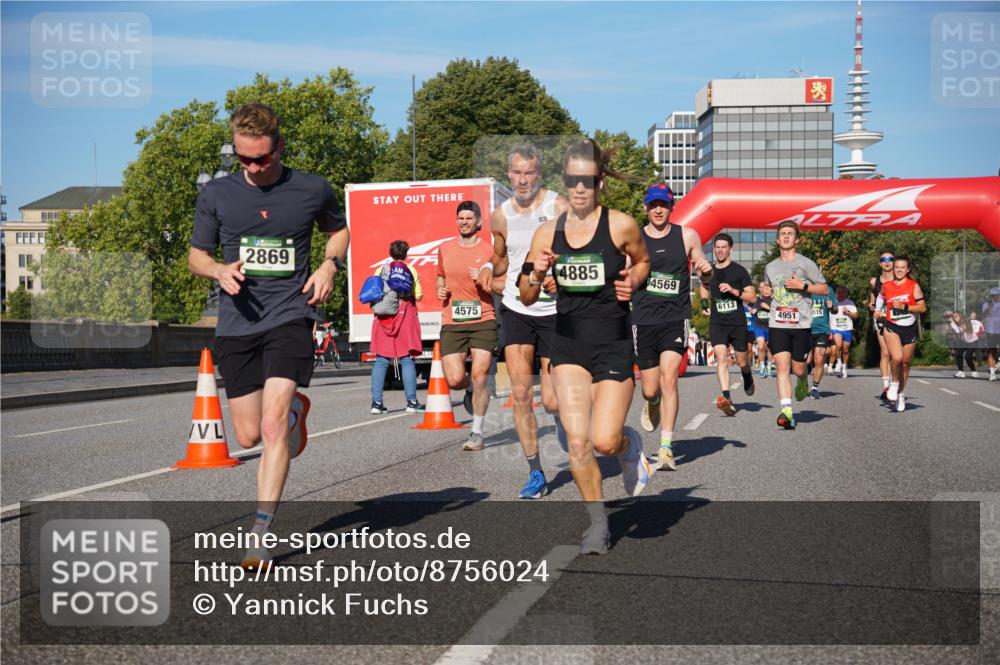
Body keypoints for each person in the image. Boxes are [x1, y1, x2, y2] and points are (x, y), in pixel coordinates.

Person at [188, 102, 349, 569]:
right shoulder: (218, 194)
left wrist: (328, 264)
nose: (254, 168)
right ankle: (297, 411)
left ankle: (259, 534)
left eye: (262, 158)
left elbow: (339, 232)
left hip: (290, 316)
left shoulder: (311, 189)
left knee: (273, 426)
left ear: (279, 145)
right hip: (238, 324)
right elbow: (196, 256)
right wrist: (218, 269)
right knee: (249, 432)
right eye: (244, 159)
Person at [521, 138, 652, 555]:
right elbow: (525, 294)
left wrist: (632, 281)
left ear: (599, 183)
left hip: (612, 345)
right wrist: (537, 274)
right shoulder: (547, 232)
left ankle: (631, 446)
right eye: (573, 180)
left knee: (605, 441)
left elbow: (644, 262)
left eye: (589, 181)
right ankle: (599, 524)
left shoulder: (621, 226)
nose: (580, 189)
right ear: (564, 182)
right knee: (578, 442)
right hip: (568, 347)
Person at [477, 143, 568, 499]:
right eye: (516, 172)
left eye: (529, 172)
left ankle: (566, 427)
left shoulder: (557, 206)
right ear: (509, 173)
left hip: (554, 311)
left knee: (553, 400)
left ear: (539, 174)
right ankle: (535, 472)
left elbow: (578, 247)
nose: (523, 179)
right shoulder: (500, 214)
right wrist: (487, 267)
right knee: (519, 393)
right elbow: (501, 257)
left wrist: (560, 275)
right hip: (516, 307)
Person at [631, 183, 712, 471]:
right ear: (645, 207)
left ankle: (665, 447)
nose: (658, 210)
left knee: (670, 378)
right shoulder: (634, 237)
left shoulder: (687, 235)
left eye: (663, 204)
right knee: (650, 389)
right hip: (643, 318)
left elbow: (701, 260)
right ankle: (652, 402)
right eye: (653, 205)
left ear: (671, 206)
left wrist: (705, 269)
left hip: (675, 317)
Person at [437, 201, 500, 451]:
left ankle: (476, 432)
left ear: (479, 222)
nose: (464, 222)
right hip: (453, 320)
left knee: (480, 374)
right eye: (460, 218)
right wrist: (439, 288)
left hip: (483, 318)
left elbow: (500, 284)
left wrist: (484, 280)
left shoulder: (488, 251)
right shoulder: (445, 248)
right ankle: (470, 388)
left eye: (468, 218)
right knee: (454, 380)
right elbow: (440, 275)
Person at [759, 220, 828, 430]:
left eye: (790, 234)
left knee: (798, 368)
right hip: (777, 323)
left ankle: (802, 381)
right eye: (783, 234)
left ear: (797, 239)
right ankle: (787, 411)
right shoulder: (770, 267)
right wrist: (765, 292)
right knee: (782, 366)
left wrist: (803, 285)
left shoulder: (806, 264)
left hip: (801, 325)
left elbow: (824, 289)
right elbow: (767, 293)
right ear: (778, 239)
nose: (786, 237)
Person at [699, 233, 756, 415]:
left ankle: (747, 374)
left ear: (730, 249)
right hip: (718, 322)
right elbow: (703, 286)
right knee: (721, 358)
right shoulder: (709, 271)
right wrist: (705, 304)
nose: (720, 250)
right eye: (717, 247)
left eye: (724, 247)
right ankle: (726, 398)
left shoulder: (739, 271)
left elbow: (752, 297)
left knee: (741, 361)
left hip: (737, 322)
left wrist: (732, 290)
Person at [369, 240, 424, 415]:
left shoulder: (381, 269)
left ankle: (377, 404)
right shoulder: (411, 270)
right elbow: (419, 295)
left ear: (390, 252)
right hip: (404, 315)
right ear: (406, 253)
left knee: (381, 359)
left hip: (384, 316)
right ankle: (412, 402)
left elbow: (374, 290)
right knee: (406, 359)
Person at [874, 255, 926, 412]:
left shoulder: (913, 286)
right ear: (893, 268)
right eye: (897, 267)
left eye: (903, 267)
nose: (899, 270)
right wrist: (877, 310)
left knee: (905, 363)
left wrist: (905, 307)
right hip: (891, 326)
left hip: (909, 328)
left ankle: (900, 394)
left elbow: (922, 308)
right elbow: (880, 298)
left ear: (908, 269)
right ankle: (894, 383)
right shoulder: (887, 286)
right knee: (896, 357)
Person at [869, 248, 896, 400]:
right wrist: (871, 304)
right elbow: (872, 296)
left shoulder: (899, 279)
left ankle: (894, 383)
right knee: (885, 352)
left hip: (897, 317)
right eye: (884, 260)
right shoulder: (874, 281)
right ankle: (886, 387)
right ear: (880, 263)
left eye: (890, 259)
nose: (887, 262)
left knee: (895, 353)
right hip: (880, 317)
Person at [808, 290, 836, 399]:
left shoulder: (827, 290)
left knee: (819, 359)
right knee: (806, 361)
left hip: (822, 330)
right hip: (805, 329)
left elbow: (835, 310)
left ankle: (815, 388)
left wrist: (832, 306)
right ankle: (804, 376)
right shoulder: (803, 287)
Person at [829, 285, 858, 378]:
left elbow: (856, 315)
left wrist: (848, 312)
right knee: (838, 345)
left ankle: (844, 367)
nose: (840, 294)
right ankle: (838, 362)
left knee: (845, 350)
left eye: (842, 292)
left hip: (847, 329)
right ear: (836, 294)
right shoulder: (833, 303)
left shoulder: (850, 303)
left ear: (845, 294)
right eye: (839, 292)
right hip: (835, 328)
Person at [949, 311, 978, 378]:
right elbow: (957, 331)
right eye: (954, 317)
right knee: (958, 354)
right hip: (965, 342)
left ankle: (974, 371)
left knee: (967, 356)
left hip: (973, 341)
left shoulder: (966, 321)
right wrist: (952, 323)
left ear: (960, 316)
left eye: (956, 316)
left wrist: (953, 323)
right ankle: (961, 372)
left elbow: (961, 330)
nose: (954, 318)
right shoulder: (955, 323)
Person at [982, 287, 1000, 382]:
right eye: (993, 295)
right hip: (991, 331)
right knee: (991, 352)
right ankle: (992, 373)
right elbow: (983, 316)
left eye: (997, 295)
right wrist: (989, 309)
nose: (995, 297)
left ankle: (997, 364)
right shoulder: (986, 305)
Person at [752, 295, 773, 377]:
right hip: (759, 326)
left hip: (770, 327)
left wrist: (768, 308)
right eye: (762, 288)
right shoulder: (757, 300)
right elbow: (753, 311)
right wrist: (753, 310)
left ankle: (769, 367)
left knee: (769, 348)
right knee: (761, 347)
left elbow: (777, 312)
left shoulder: (774, 300)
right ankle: (762, 367)